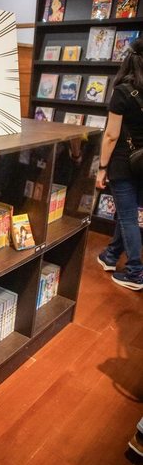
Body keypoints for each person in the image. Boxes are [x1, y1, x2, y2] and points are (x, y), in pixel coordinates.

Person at [96, 37, 143, 291]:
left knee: (127, 217)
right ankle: (111, 256)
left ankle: (135, 272)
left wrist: (102, 167)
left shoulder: (123, 92)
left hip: (124, 164)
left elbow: (111, 135)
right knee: (131, 215)